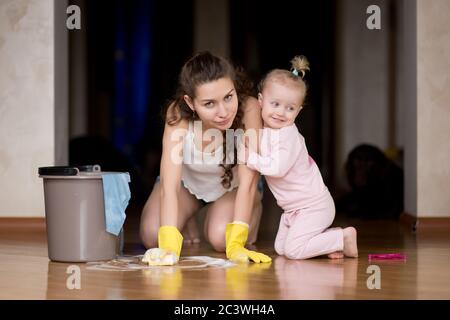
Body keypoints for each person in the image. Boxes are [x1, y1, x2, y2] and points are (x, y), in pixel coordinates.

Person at [139, 51, 271, 265]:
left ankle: (250, 214)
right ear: (190, 103)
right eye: (209, 103)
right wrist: (170, 247)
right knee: (153, 236)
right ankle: (188, 216)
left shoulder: (250, 108)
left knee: (221, 238)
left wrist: (237, 241)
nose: (224, 112)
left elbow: (248, 182)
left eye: (228, 97)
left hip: (236, 187)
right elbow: (169, 186)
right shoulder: (177, 115)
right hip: (189, 186)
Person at [243, 55, 358, 259]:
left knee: (294, 251)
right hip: (292, 211)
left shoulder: (288, 136)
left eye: (290, 108)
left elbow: (277, 168)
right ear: (261, 101)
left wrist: (250, 158)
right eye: (275, 104)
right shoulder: (266, 131)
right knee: (281, 248)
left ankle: (343, 237)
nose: (281, 113)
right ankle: (327, 241)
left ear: (299, 110)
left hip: (313, 206)